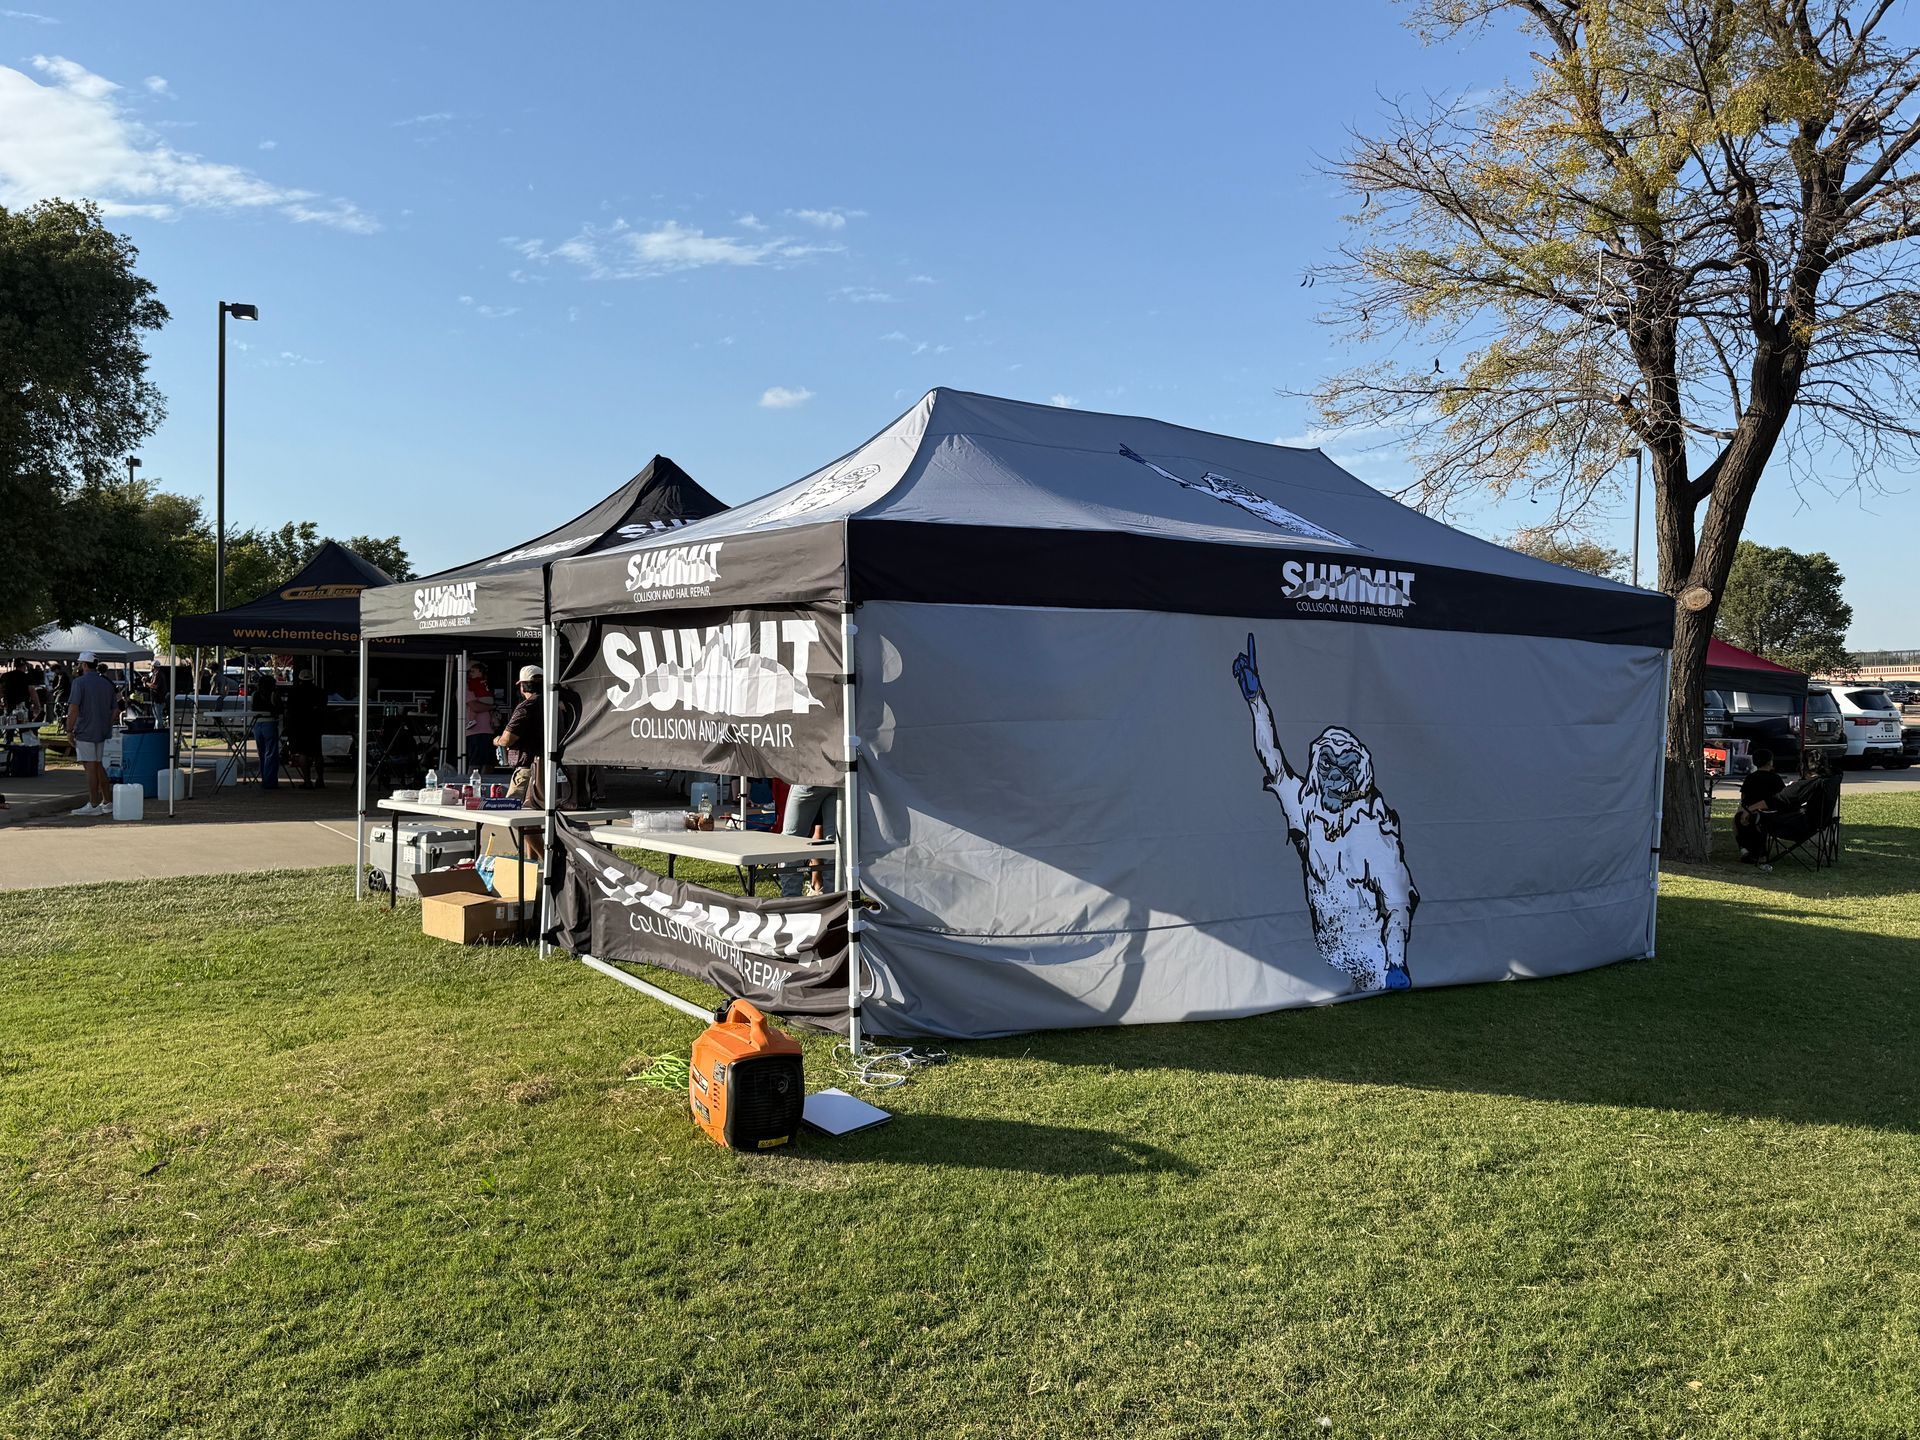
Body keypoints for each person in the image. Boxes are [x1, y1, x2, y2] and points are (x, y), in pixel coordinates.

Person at [66, 651, 119, 816]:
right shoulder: (106, 683)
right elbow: (116, 710)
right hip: (101, 731)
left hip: (85, 730)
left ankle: (94, 803)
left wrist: (69, 730)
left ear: (83, 665)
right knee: (97, 765)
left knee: (90, 767)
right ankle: (107, 801)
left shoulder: (79, 683)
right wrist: (106, 724)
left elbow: (73, 708)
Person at [778, 784, 839, 898]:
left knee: (791, 842)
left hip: (811, 778)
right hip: (838, 778)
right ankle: (833, 900)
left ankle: (790, 900)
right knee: (833, 844)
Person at [496, 665, 544, 802]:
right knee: (542, 814)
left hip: (528, 768)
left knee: (515, 812)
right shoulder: (555, 704)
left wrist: (498, 740)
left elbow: (507, 739)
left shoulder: (526, 706)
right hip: (551, 767)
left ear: (522, 686)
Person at [1733, 747, 1786, 866]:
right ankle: (1760, 853)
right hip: (1770, 813)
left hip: (1749, 811)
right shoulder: (1776, 778)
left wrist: (1746, 809)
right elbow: (1781, 797)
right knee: (1758, 825)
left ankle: (1744, 849)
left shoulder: (1750, 778)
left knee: (1738, 821)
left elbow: (1744, 797)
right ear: (1770, 762)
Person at [283, 669, 327, 788]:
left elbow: (289, 710)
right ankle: (320, 779)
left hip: (300, 726)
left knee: (303, 753)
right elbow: (323, 708)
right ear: (312, 679)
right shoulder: (320, 692)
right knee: (318, 753)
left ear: (300, 679)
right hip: (315, 726)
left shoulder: (294, 692)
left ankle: (307, 781)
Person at [250, 667, 282, 790]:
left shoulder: (255, 695)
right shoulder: (273, 694)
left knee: (262, 752)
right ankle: (270, 781)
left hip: (257, 724)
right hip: (269, 723)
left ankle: (264, 778)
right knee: (271, 753)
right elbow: (278, 709)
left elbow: (253, 708)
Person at [464, 663, 496, 772]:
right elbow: (475, 706)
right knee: (475, 763)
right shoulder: (465, 687)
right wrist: (492, 706)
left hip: (488, 731)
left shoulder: (479, 684)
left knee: (488, 763)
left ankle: (485, 785)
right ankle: (472, 787)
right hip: (475, 731)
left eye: (472, 671)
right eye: (469, 671)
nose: (470, 674)